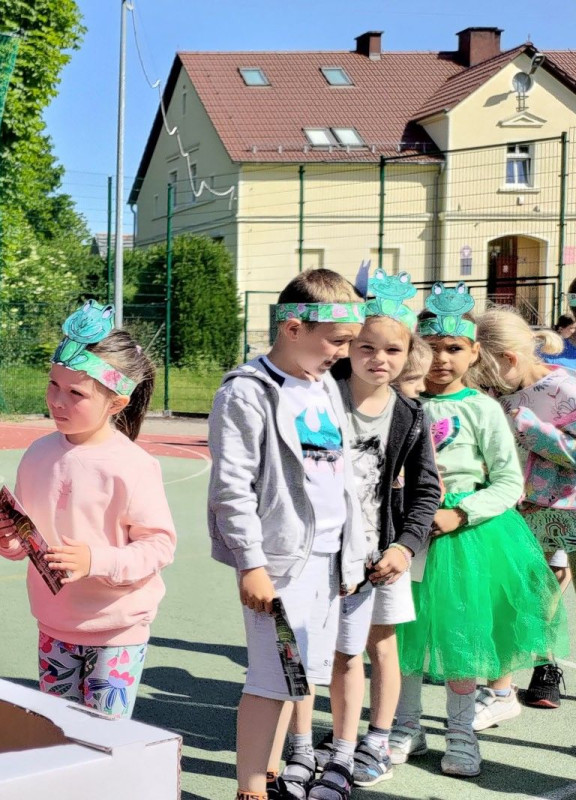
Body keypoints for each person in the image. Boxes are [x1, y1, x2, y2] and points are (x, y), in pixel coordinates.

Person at [389, 283, 567, 778]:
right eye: (430, 347)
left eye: (453, 348)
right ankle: (406, 725)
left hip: (464, 539)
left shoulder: (484, 409)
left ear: (473, 353)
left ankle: (461, 732)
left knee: (461, 638)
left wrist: (459, 513)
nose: (441, 359)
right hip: (405, 536)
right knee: (404, 634)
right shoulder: (399, 404)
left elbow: (508, 482)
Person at [208, 269, 368, 800]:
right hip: (280, 564)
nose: (342, 354)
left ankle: (271, 777)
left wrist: (349, 556)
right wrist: (251, 564)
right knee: (268, 683)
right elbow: (232, 488)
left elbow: (337, 480)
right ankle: (251, 790)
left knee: (298, 680)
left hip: (327, 561)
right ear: (293, 328)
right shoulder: (246, 392)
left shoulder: (322, 386)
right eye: (337, 341)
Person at [0, 301, 176, 719]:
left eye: (76, 393)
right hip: (53, 625)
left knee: (104, 736)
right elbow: (27, 541)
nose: (57, 400)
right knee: (58, 731)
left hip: (117, 629)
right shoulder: (38, 454)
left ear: (117, 402)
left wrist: (95, 559)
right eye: (53, 385)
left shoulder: (133, 465)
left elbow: (159, 546)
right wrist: (9, 539)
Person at [308, 272, 440, 793]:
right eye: (366, 346)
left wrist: (406, 547)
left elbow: (427, 491)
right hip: (326, 553)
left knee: (381, 644)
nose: (378, 358)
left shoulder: (409, 414)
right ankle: (339, 742)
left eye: (392, 349)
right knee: (341, 651)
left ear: (409, 355)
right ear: (349, 348)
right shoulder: (322, 397)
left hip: (381, 554)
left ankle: (377, 738)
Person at [477, 305, 575, 711]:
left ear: (509, 359)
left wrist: (531, 429)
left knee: (545, 587)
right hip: (519, 512)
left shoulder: (565, 390)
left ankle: (542, 667)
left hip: (564, 511)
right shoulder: (497, 394)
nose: (484, 384)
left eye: (486, 373)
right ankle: (503, 687)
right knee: (516, 592)